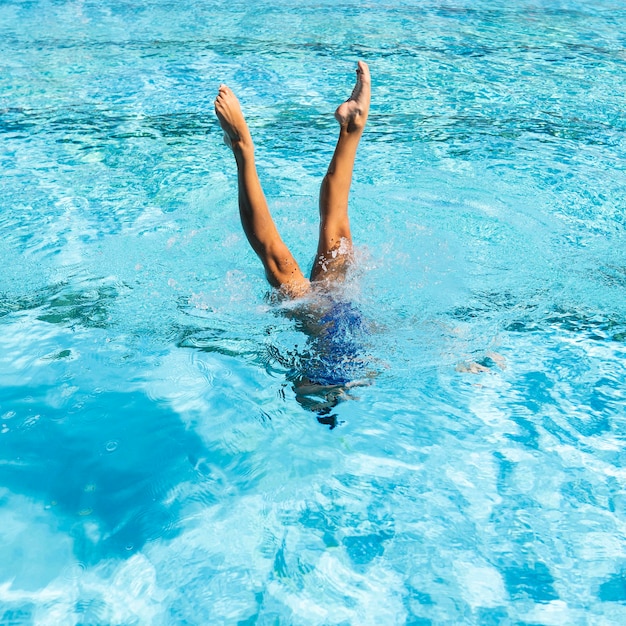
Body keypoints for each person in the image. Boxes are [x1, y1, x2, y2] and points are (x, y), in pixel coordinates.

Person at [213, 61, 371, 298]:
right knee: (338, 249)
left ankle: (241, 145)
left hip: (335, 329)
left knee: (283, 266)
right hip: (348, 325)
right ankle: (351, 125)